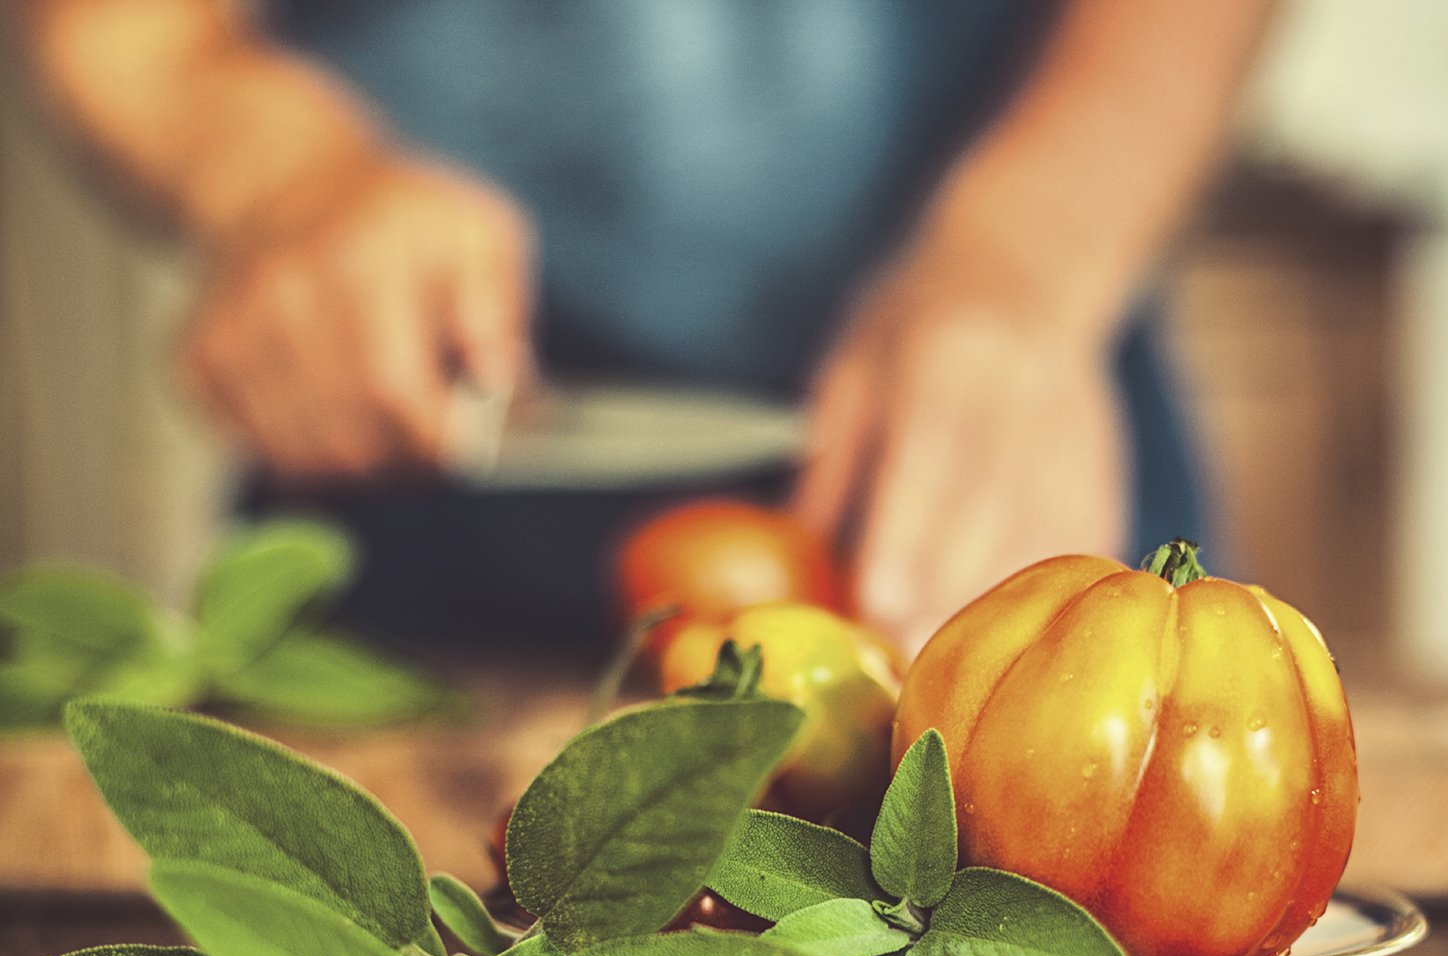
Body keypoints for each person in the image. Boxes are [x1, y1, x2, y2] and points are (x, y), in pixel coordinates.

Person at [20, 0, 1273, 654]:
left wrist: (1024, 261)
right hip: (402, 514)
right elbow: (119, 23)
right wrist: (279, 181)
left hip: (1001, 482)